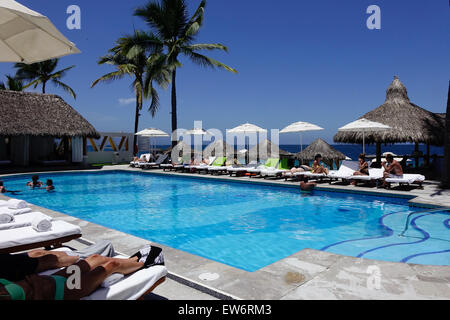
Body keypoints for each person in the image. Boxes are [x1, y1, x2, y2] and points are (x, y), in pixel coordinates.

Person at [0, 245, 162, 300]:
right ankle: (144, 263)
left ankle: (135, 260)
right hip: (60, 293)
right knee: (111, 265)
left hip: (44, 282)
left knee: (95, 258)